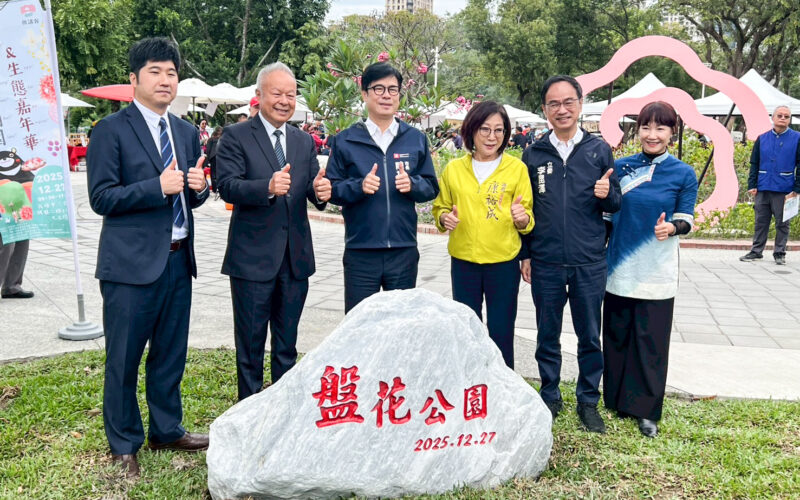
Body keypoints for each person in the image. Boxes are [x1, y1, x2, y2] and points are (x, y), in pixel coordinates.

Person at [86, 37, 210, 479]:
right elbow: (102, 197)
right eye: (155, 71)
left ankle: (166, 429)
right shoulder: (110, 130)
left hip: (178, 260)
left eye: (171, 72)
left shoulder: (185, 132)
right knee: (124, 358)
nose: (164, 80)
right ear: (134, 79)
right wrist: (155, 187)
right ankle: (124, 443)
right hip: (129, 267)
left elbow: (190, 193)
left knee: (170, 353)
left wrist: (199, 188)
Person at [216, 62, 330, 401]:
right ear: (259, 95)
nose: (284, 101)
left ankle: (283, 410)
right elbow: (227, 185)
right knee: (250, 348)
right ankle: (249, 413)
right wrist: (266, 186)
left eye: (291, 95)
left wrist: (321, 193)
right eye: (277, 93)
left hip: (295, 259)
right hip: (252, 261)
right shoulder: (236, 136)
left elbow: (310, 187)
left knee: (287, 346)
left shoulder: (303, 141)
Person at [520, 75, 621, 433]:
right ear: (544, 109)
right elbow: (525, 207)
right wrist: (525, 253)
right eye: (553, 103)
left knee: (589, 336)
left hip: (588, 261)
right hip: (545, 260)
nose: (561, 109)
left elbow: (615, 203)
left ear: (580, 104)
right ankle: (550, 395)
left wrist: (607, 194)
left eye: (568, 102)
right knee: (547, 335)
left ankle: (588, 401)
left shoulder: (598, 150)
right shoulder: (533, 154)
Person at [603, 101, 698, 438]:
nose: (652, 134)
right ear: (638, 130)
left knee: (651, 342)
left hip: (657, 270)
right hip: (618, 266)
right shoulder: (620, 167)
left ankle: (646, 411)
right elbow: (606, 216)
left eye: (660, 128)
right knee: (616, 336)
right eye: (646, 127)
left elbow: (686, 219)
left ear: (672, 132)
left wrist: (671, 228)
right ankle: (615, 400)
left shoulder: (683, 173)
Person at [326, 62, 439, 313]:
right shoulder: (345, 140)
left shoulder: (415, 139)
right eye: (378, 89)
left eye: (392, 89)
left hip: (403, 250)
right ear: (364, 94)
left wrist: (412, 184)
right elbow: (331, 189)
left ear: (399, 95)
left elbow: (431, 186)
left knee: (400, 324)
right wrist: (359, 186)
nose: (386, 95)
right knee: (359, 323)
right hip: (360, 251)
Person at [433, 101, 533, 368]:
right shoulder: (454, 169)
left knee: (501, 329)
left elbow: (527, 216)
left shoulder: (516, 169)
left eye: (499, 130)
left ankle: (501, 383)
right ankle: (469, 382)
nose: (492, 137)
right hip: (464, 261)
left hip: (503, 262)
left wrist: (522, 219)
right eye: (485, 129)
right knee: (467, 328)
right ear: (471, 131)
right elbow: (440, 207)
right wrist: (444, 218)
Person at [740, 105, 800, 265]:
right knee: (760, 221)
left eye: (786, 116)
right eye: (779, 115)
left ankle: (779, 253)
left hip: (785, 188)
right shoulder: (762, 138)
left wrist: (797, 188)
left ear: (789, 120)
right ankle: (756, 251)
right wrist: (752, 184)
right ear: (773, 118)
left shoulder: (797, 138)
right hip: (763, 187)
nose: (783, 118)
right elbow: (754, 163)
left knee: (782, 223)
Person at [205, 126, 223, 192]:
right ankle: (220, 188)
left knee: (213, 174)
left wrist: (207, 161)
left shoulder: (211, 139)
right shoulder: (222, 139)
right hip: (221, 157)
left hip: (213, 157)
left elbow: (208, 150)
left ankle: (214, 189)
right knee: (220, 173)